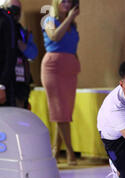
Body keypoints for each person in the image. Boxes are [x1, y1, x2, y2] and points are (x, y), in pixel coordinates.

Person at [41, 0, 80, 165]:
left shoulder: (73, 25)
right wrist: (69, 18)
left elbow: (73, 47)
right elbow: (55, 36)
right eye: (63, 0)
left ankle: (55, 151)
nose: (67, 3)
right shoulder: (48, 20)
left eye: (70, 1)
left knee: (65, 112)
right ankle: (70, 153)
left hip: (69, 69)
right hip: (53, 67)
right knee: (60, 111)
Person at [1, 0, 38, 109]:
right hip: (1, 82)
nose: (14, 13)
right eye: (11, 9)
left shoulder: (23, 33)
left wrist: (21, 45)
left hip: (20, 82)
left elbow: (33, 54)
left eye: (17, 10)